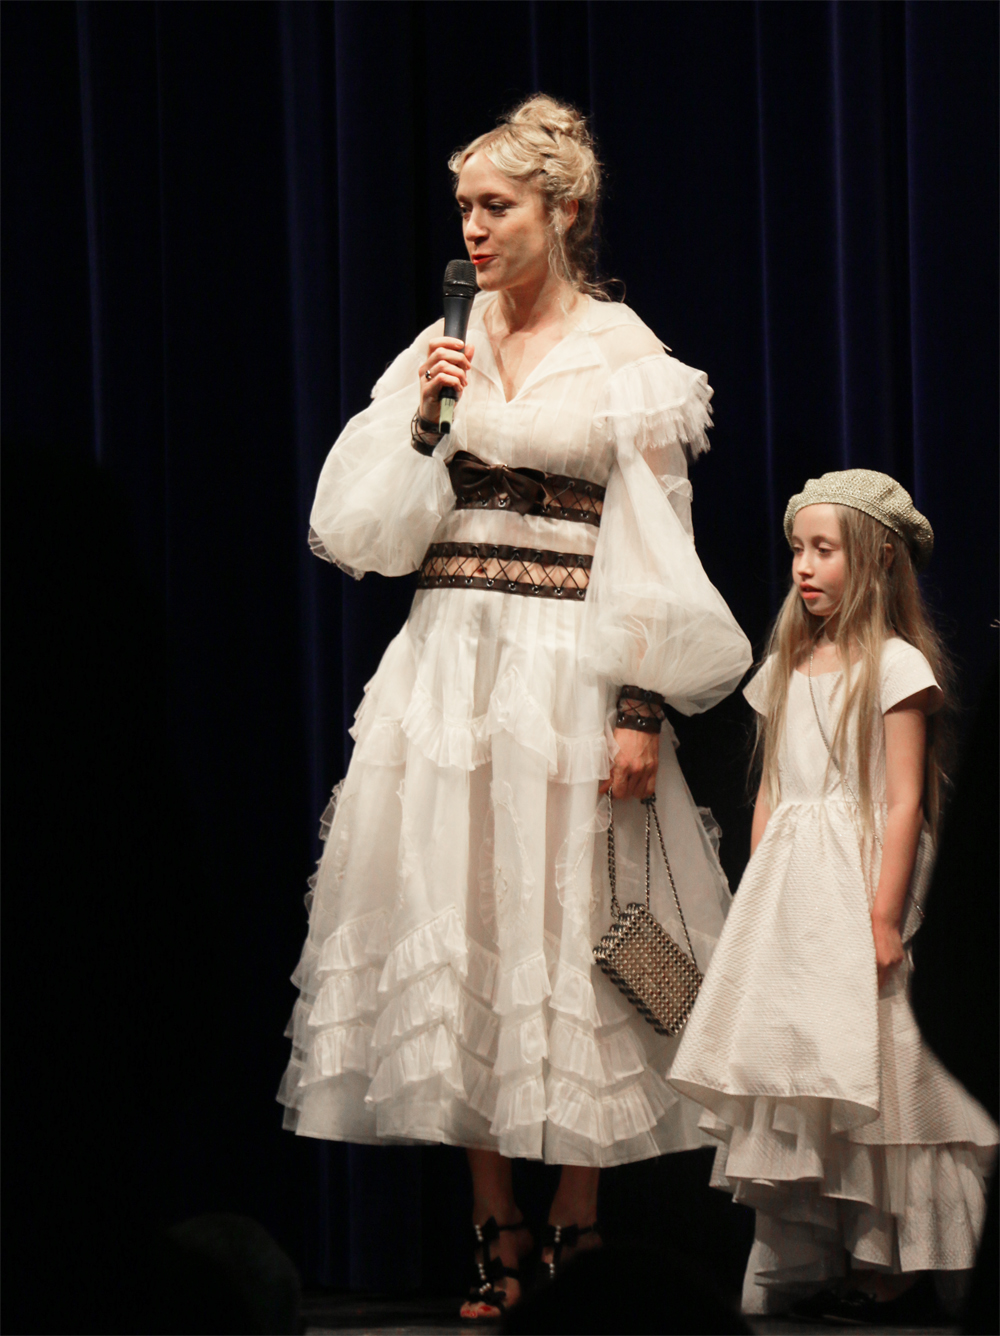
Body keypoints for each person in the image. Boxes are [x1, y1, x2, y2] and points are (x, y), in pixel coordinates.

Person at [278, 94, 751, 1319]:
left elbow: (658, 547)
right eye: (465, 212)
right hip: (449, 663)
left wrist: (640, 702)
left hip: (567, 666)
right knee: (463, 923)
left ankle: (577, 1233)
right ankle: (495, 1231)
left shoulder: (624, 360)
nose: (476, 232)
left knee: (572, 938)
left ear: (563, 211)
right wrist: (426, 419)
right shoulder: (441, 346)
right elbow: (368, 534)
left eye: (497, 208)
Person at [669, 470, 1000, 1321]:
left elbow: (901, 799)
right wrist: (756, 897)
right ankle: (812, 1251)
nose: (804, 569)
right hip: (794, 886)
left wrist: (886, 915)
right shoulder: (787, 661)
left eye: (825, 551)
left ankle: (895, 1259)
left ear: (877, 559)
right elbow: (774, 791)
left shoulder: (895, 664)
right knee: (801, 1062)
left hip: (859, 875)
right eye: (797, 552)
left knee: (882, 1062)